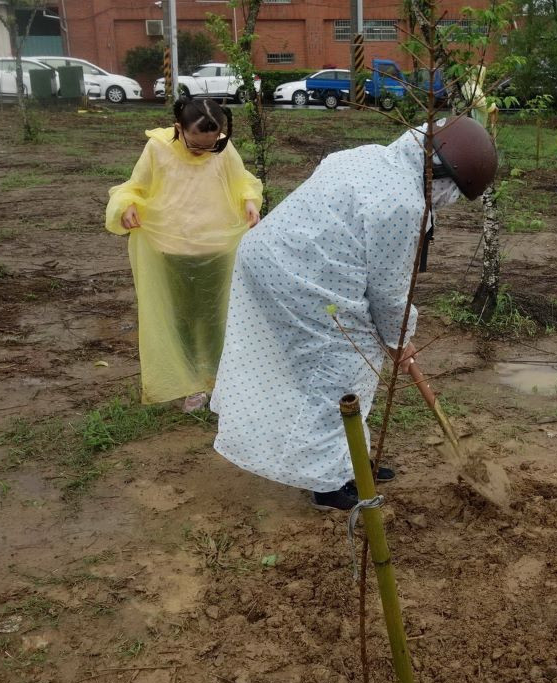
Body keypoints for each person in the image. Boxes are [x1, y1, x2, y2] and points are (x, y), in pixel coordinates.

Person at [210, 117, 497, 511]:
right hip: (301, 275)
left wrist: (396, 336)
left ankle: (350, 463)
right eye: (452, 191)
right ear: (438, 175)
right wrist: (399, 338)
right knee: (341, 369)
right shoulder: (402, 203)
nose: (449, 200)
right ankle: (329, 483)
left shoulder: (373, 157)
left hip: (283, 258)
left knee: (343, 366)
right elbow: (388, 291)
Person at [107, 97, 262, 412]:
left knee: (219, 317)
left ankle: (220, 382)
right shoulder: (159, 149)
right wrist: (127, 208)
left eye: (210, 144)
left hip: (216, 250)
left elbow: (241, 180)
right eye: (195, 144)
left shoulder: (221, 148)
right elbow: (133, 188)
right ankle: (192, 383)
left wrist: (248, 200)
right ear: (179, 129)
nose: (203, 151)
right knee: (184, 319)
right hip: (175, 250)